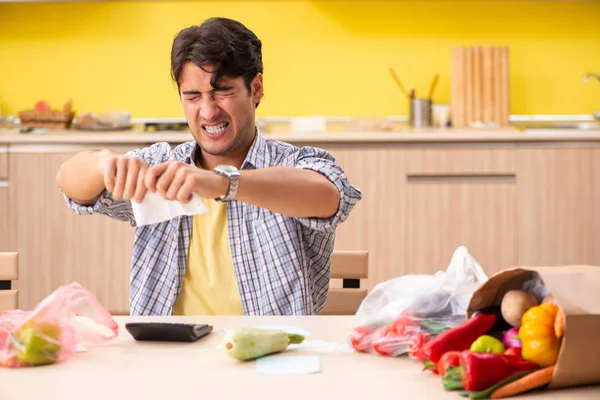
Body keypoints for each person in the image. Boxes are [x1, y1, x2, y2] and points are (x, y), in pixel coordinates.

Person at [55, 17, 362, 316]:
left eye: (222, 91)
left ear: (255, 89)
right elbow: (70, 183)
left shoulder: (295, 164)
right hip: (169, 357)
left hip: (270, 357)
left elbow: (330, 197)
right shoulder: (161, 169)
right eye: (192, 96)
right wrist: (102, 162)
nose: (208, 111)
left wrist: (222, 183)